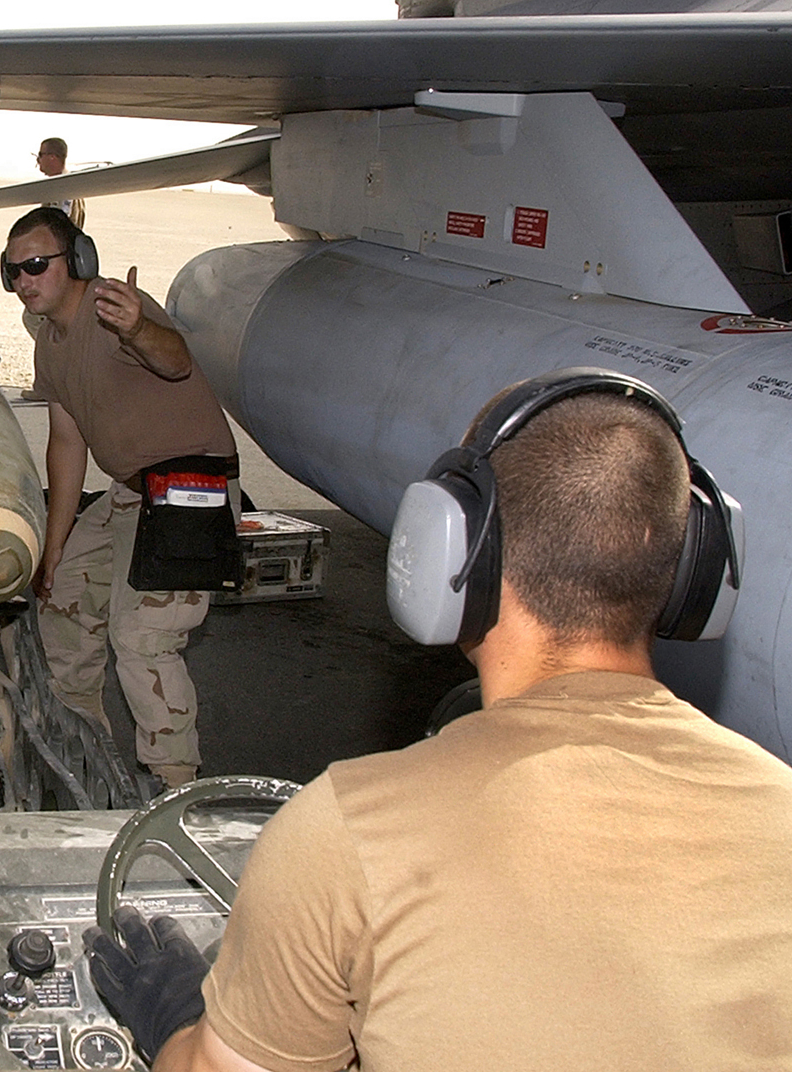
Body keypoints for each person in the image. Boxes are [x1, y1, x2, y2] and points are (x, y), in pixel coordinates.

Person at [84, 372, 792, 1071]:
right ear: (697, 569)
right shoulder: (779, 809)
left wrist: (176, 1020)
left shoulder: (350, 832)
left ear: (457, 553)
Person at [6, 206, 237, 790]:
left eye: (36, 265)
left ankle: (173, 784)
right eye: (13, 273)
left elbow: (176, 360)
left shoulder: (115, 309)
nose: (24, 281)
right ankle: (83, 744)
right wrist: (53, 551)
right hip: (131, 493)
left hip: (191, 487)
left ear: (77, 260)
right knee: (62, 599)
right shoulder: (50, 344)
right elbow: (66, 445)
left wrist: (138, 327)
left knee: (142, 638)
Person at [36, 137, 86, 229]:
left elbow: (59, 229)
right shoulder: (60, 184)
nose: (38, 160)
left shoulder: (64, 187)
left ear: (52, 157)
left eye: (40, 155)